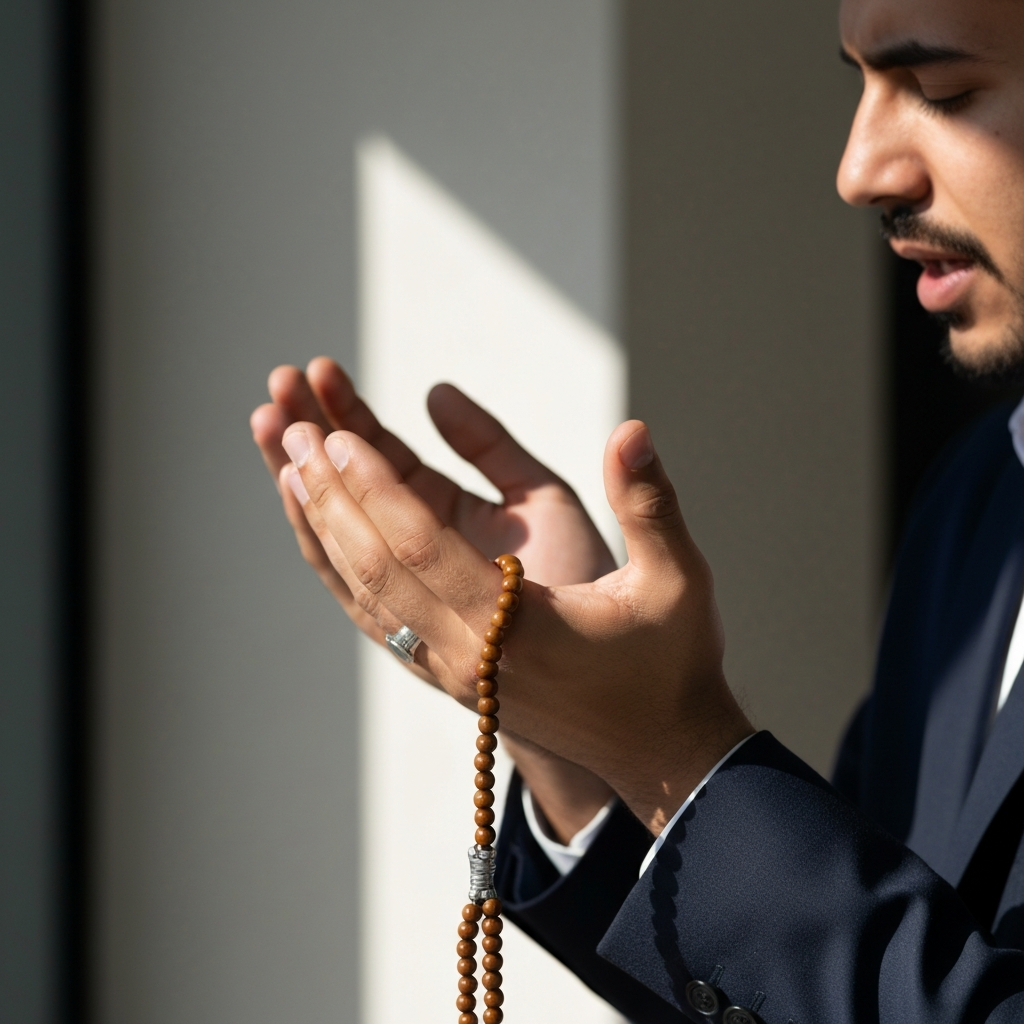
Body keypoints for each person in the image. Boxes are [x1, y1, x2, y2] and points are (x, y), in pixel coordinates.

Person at [250, 0, 1024, 1019]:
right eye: (861, 85)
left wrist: (670, 751)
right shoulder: (979, 499)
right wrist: (579, 740)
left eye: (940, 91)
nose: (858, 168)